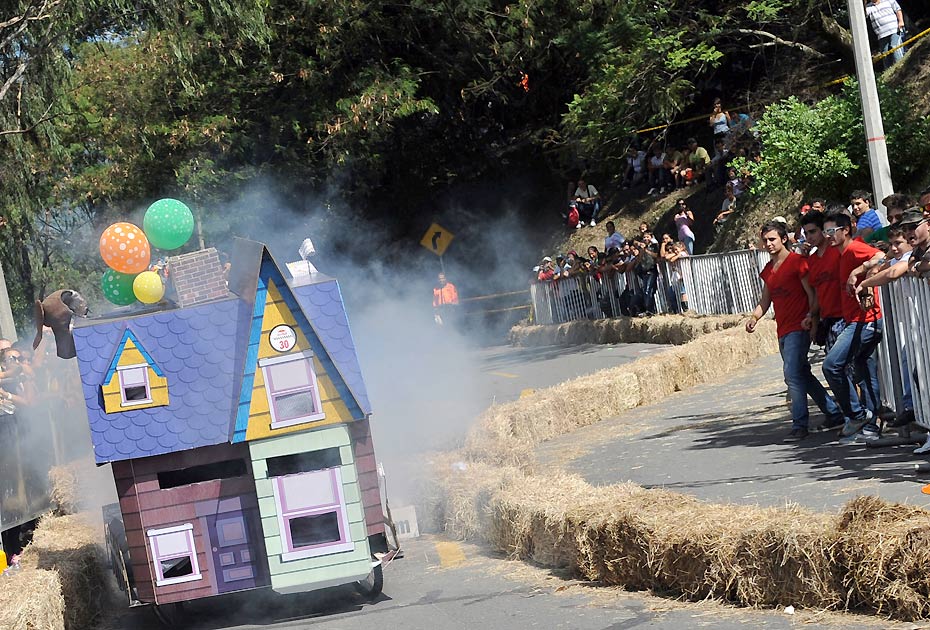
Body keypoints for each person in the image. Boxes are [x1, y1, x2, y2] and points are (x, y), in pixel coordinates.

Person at [746, 221, 844, 441]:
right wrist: (754, 317)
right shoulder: (769, 269)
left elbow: (812, 294)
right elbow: (765, 299)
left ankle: (800, 424)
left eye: (772, 239)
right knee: (801, 373)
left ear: (784, 239)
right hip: (782, 328)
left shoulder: (797, 263)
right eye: (765, 240)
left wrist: (812, 318)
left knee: (791, 374)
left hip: (799, 327)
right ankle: (833, 412)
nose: (768, 244)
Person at [821, 212, 885, 441]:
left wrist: (858, 271)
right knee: (863, 370)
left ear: (846, 230)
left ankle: (857, 415)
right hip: (857, 320)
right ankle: (873, 421)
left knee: (831, 365)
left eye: (831, 231)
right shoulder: (840, 253)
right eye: (825, 232)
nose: (828, 236)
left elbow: (882, 256)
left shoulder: (854, 248)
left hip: (865, 320)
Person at [865, 0, 906, 69]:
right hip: (881, 35)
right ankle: (889, 72)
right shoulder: (868, 7)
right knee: (885, 55)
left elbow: (898, 9)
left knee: (895, 48)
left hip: (894, 30)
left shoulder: (889, 0)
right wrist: (864, 2)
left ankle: (901, 67)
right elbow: (863, 14)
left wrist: (901, 21)